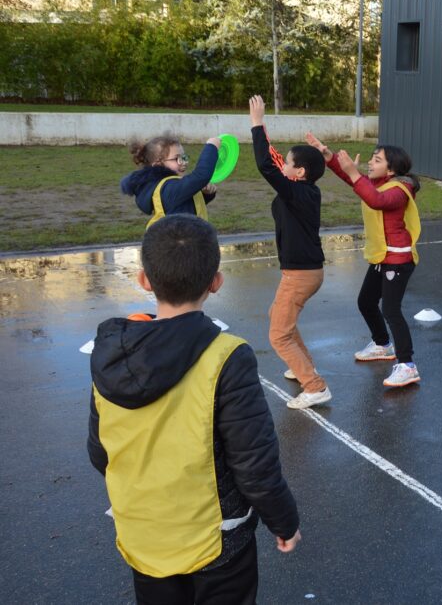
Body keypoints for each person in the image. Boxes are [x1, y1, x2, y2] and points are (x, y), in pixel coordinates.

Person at [87, 214, 300, 604]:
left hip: (144, 535)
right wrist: (284, 521)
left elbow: (100, 452)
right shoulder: (227, 356)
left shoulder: (111, 355)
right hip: (218, 540)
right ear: (216, 282)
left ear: (144, 280)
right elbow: (254, 464)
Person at [307, 133, 423, 389]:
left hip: (398, 258)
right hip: (383, 255)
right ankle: (382, 344)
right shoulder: (379, 183)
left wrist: (354, 172)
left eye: (377, 160)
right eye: (371, 158)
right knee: (366, 301)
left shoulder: (400, 190)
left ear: (391, 169)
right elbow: (359, 185)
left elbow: (377, 200)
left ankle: (408, 365)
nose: (370, 163)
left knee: (391, 310)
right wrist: (329, 157)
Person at [249, 95, 330, 409]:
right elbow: (273, 158)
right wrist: (265, 131)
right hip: (303, 271)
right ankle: (303, 367)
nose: (284, 164)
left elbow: (264, 165)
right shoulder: (303, 188)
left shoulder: (297, 192)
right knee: (279, 317)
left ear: (300, 172)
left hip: (301, 274)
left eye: (289, 163)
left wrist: (256, 124)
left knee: (278, 334)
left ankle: (315, 386)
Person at [121, 134, 220, 229]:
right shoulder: (168, 188)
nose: (184, 163)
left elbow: (186, 205)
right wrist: (211, 147)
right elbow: (201, 176)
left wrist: (206, 194)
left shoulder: (171, 186)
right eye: (177, 158)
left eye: (184, 157)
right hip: (177, 243)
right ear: (158, 165)